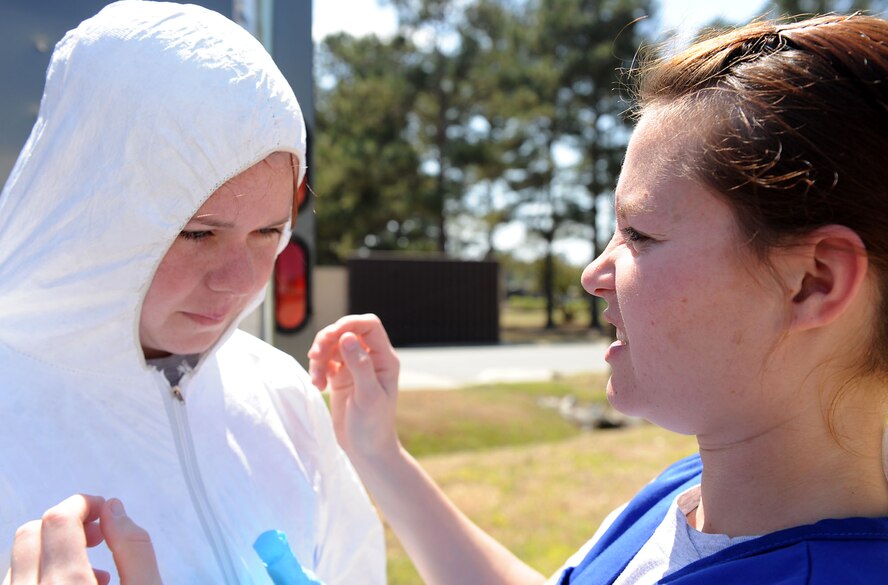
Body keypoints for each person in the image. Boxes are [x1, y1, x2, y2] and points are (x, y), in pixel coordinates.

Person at [308, 13, 888, 585]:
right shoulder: (691, 490)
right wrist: (379, 452)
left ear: (813, 281)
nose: (593, 274)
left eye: (639, 233)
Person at [0, 2, 384, 583]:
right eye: (197, 232)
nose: (238, 279)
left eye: (268, 232)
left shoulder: (281, 395)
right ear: (87, 206)